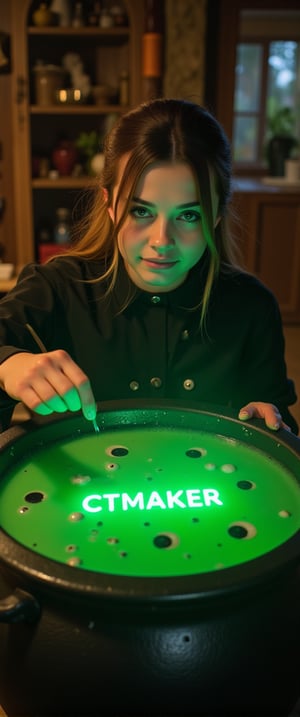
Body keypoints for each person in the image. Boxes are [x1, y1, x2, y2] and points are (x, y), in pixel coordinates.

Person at [0, 98, 298, 434]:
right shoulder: (55, 288)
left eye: (188, 215)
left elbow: (278, 421)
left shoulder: (251, 307)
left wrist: (269, 424)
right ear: (110, 204)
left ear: (216, 214)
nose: (161, 241)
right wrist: (7, 365)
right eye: (141, 211)